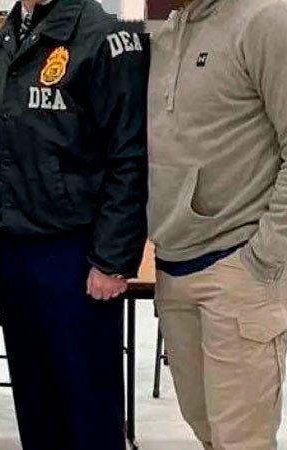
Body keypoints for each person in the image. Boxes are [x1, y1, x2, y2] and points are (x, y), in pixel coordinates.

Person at [0, 0, 148, 448]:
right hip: (17, 249)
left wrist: (112, 259)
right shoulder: (6, 40)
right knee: (35, 401)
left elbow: (130, 156)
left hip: (77, 254)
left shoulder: (104, 39)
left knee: (87, 406)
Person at [147, 0, 287, 448]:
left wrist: (264, 257)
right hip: (174, 265)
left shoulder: (266, 20)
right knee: (205, 429)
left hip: (239, 267)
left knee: (241, 440)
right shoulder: (170, 30)